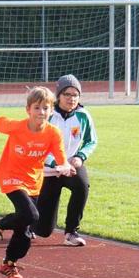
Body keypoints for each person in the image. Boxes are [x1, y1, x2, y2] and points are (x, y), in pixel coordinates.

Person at [0, 87, 72, 278]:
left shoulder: (53, 133)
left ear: (51, 110)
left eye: (45, 108)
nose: (41, 113)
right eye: (37, 108)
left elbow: (61, 158)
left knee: (25, 232)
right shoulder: (16, 126)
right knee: (32, 215)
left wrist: (65, 167)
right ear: (28, 109)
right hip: (10, 176)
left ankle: (9, 264)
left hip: (33, 182)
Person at [34, 74, 98, 246]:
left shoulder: (83, 115)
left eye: (75, 95)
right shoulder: (47, 115)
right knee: (44, 230)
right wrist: (56, 163)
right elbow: (37, 145)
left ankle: (71, 232)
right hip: (48, 170)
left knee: (82, 186)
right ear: (58, 96)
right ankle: (29, 225)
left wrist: (80, 156)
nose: (71, 99)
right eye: (67, 94)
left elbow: (91, 140)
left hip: (71, 166)